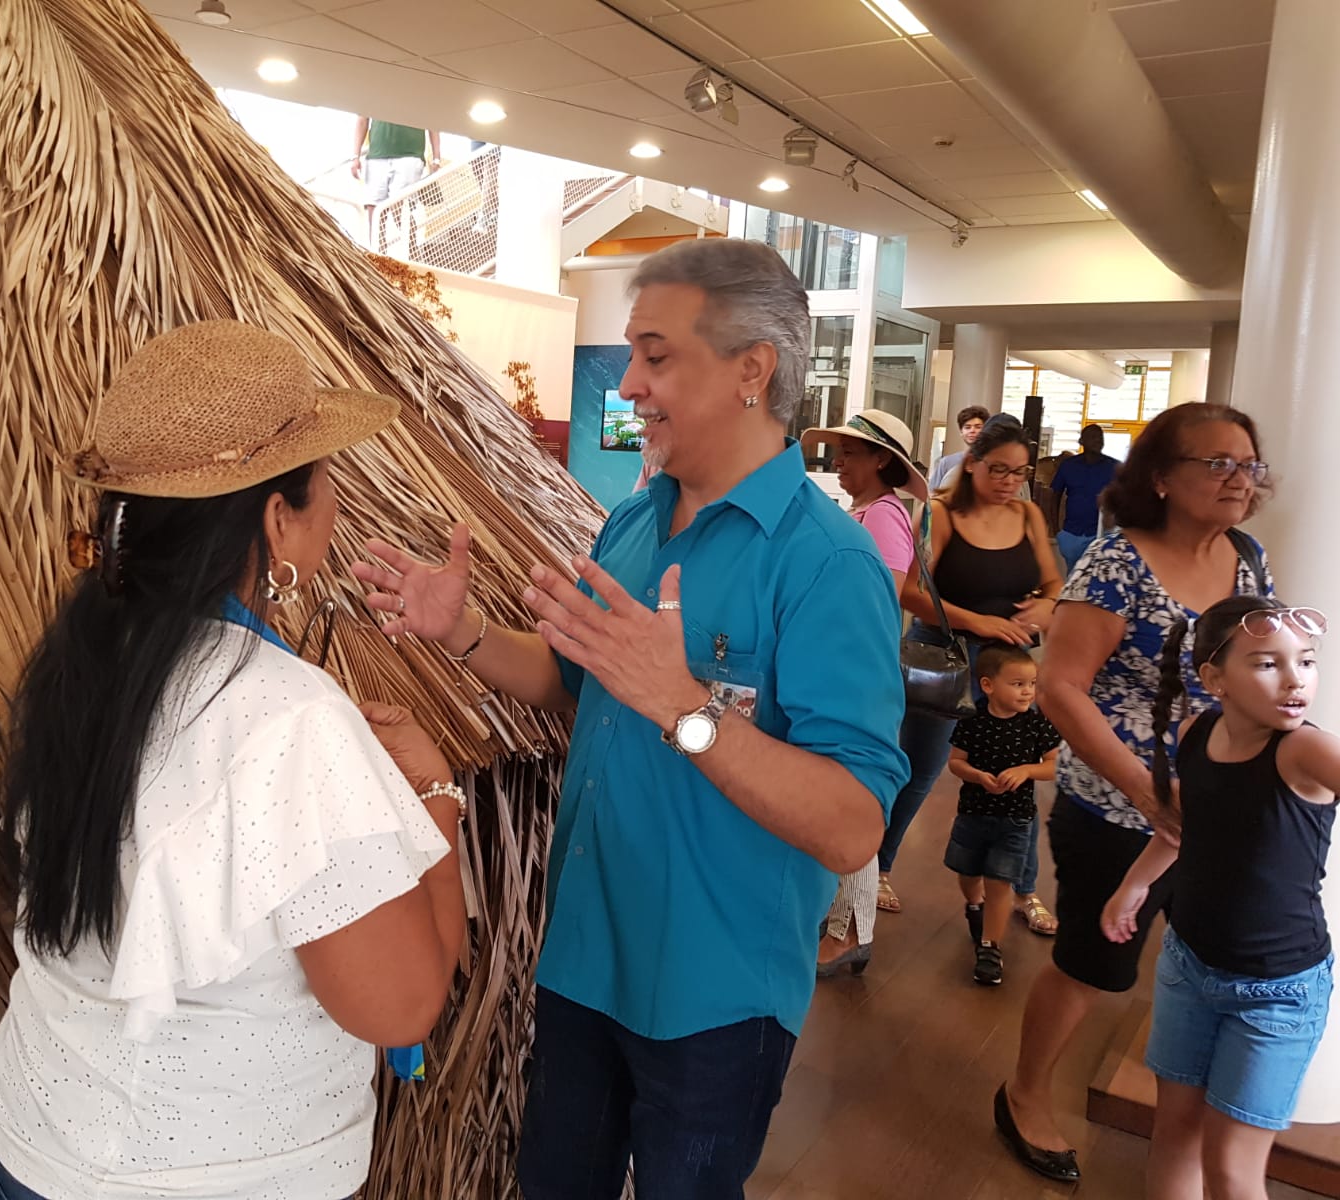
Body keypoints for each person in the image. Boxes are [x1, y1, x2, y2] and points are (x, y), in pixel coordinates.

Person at [352, 238, 908, 1199]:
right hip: (583, 956)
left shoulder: (825, 563)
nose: (633, 383)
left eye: (656, 354)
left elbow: (855, 820)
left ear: (751, 371)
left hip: (715, 994)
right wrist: (468, 632)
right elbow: (580, 686)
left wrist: (686, 708)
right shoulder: (636, 521)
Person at [0, 322, 467, 1200]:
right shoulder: (292, 721)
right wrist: (432, 798)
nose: (336, 505)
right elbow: (399, 1004)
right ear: (278, 519)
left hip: (30, 1133)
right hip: (208, 1178)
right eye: (325, 485)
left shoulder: (80, 661)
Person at [995, 402, 1274, 1184]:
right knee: (1093, 964)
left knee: (1206, 959)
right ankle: (1022, 1092)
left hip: (1217, 805)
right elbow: (1060, 689)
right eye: (1215, 462)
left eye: (1247, 463)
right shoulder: (1117, 565)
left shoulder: (1247, 558)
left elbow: (1256, 665)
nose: (1237, 478)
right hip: (1117, 808)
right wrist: (1152, 794)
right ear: (1161, 477)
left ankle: (1188, 1121)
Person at [1103, 596, 1333, 1200]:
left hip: (1276, 994)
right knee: (1174, 1135)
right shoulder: (1196, 730)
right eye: (1266, 664)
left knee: (1232, 1167)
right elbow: (1183, 825)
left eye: (1306, 662)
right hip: (1189, 967)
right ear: (1214, 680)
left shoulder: (1304, 750)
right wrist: (1136, 882)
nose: (1295, 681)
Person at [879, 415, 1063, 932]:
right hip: (947, 656)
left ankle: (1024, 890)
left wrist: (1045, 608)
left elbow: (1053, 585)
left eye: (1019, 472)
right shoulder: (941, 513)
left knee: (1019, 776)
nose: (1008, 481)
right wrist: (978, 620)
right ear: (973, 463)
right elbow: (913, 592)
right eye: (998, 470)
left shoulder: (1027, 515)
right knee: (921, 768)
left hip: (1009, 666)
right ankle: (878, 866)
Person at [805, 410, 928, 978]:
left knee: (850, 795)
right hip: (846, 669)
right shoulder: (867, 513)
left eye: (852, 453)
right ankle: (845, 925)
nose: (841, 462)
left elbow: (876, 602)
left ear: (883, 461)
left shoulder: (881, 517)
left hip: (856, 674)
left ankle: (851, 930)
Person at [945, 646, 1063, 986]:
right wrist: (977, 775)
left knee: (1001, 881)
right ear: (988, 685)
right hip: (972, 814)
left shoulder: (1036, 724)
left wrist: (1027, 770)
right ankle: (973, 904)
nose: (1028, 691)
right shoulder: (972, 720)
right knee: (968, 872)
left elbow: (1055, 765)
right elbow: (956, 761)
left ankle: (990, 947)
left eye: (1032, 683)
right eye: (1018, 683)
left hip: (1016, 819)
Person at [1051, 423, 1120, 573]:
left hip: (1101, 534)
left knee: (1096, 579)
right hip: (1071, 534)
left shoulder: (1115, 467)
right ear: (1081, 441)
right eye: (1093, 437)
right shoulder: (1068, 466)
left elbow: (1125, 499)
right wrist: (1057, 530)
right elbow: (1055, 495)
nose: (1098, 441)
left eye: (1100, 438)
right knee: (1072, 578)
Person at [351, 117, 442, 216]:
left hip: (409, 155)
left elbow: (432, 120)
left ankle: (408, 230)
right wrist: (355, 156)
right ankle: (377, 232)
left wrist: (436, 158)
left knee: (398, 208)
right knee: (374, 208)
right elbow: (363, 119)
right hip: (377, 154)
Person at [928, 403, 990, 490]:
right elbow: (932, 494)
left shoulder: (996, 462)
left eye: (978, 427)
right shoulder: (947, 463)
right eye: (967, 427)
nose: (972, 431)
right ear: (961, 432)